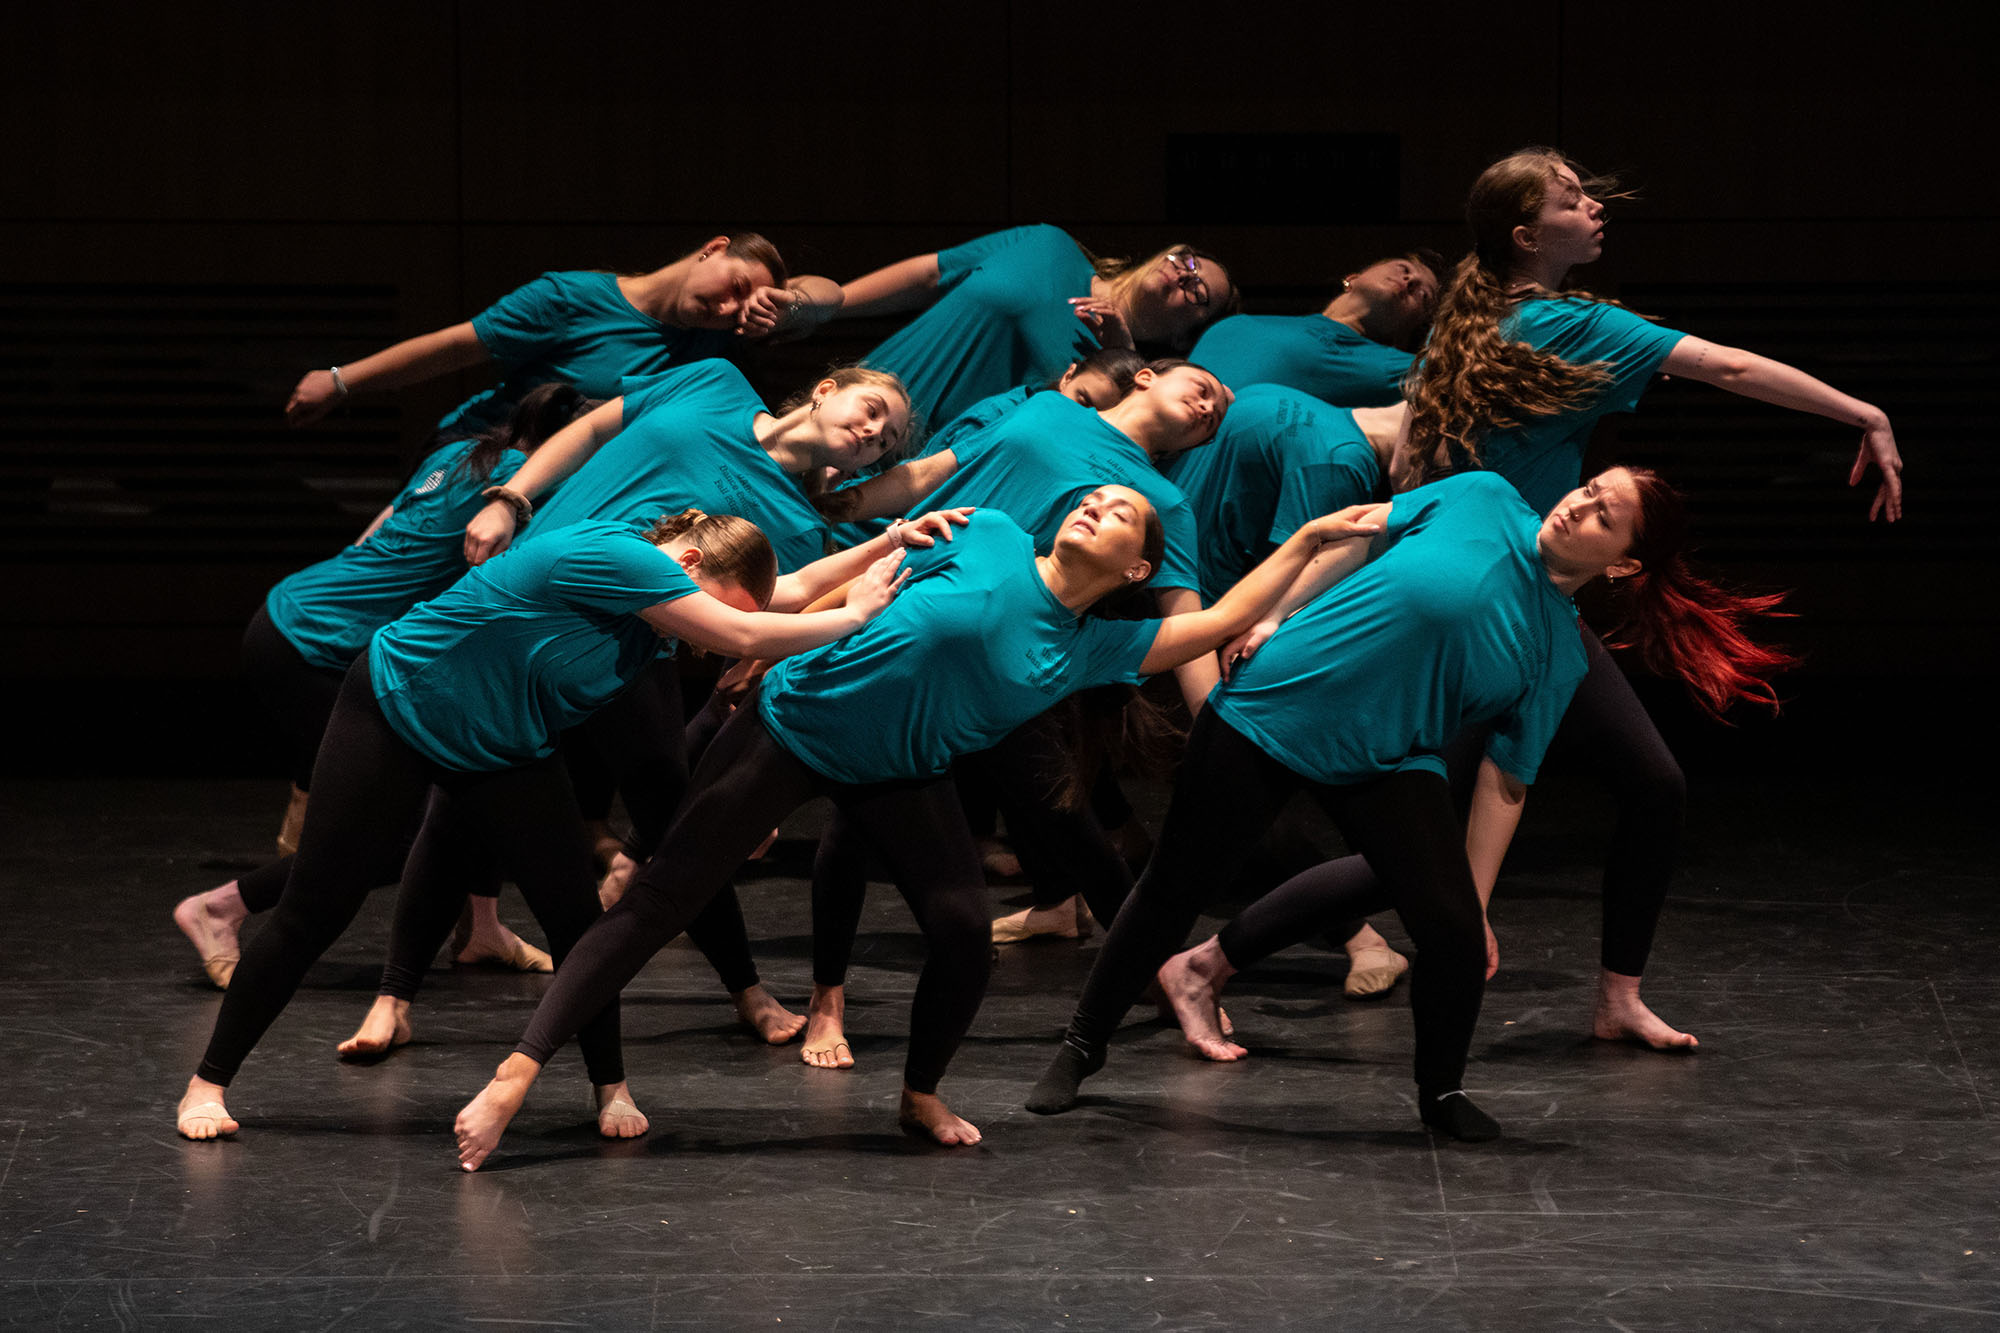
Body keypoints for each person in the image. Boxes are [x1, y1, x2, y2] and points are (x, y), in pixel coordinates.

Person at [449, 491, 1385, 1169]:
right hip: (792, 727)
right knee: (662, 900)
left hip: (903, 772)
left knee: (961, 933)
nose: (1098, 505)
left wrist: (1306, 537)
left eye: (1123, 513)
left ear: (1136, 569)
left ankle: (919, 1095)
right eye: (1095, 496)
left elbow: (1223, 616)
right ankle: (515, 1074)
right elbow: (858, 579)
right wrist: (768, 654)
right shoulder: (987, 532)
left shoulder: (1093, 647)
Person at [1027, 466, 1792, 1142]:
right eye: (1589, 490)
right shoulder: (1482, 496)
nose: (1576, 506)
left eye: (1602, 515)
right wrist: (1272, 614)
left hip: (1388, 756)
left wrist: (1477, 901)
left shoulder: (1558, 650)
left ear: (1623, 561)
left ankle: (1443, 1090)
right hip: (1276, 705)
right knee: (1173, 886)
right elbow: (1358, 535)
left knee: (1456, 935)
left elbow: (1504, 779)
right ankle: (1081, 1045)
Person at [174, 509, 920, 1143]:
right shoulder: (620, 556)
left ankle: (611, 1087)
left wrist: (886, 545)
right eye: (711, 603)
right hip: (402, 703)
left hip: (502, 745)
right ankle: (207, 1083)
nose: (697, 640)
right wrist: (856, 616)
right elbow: (744, 632)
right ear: (687, 561)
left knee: (576, 920)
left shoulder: (658, 595)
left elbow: (775, 597)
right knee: (317, 906)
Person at [1392, 145, 1902, 1046]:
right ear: (1527, 235)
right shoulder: (1573, 327)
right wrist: (1864, 412)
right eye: (1571, 200)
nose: (1593, 209)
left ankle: (1618, 996)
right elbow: (1731, 370)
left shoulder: (1467, 317)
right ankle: (1209, 960)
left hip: (1475, 578)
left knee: (1640, 785)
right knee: (1432, 824)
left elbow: (1410, 457)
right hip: (1500, 599)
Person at [327, 362, 919, 1057]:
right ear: (827, 387)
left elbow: (775, 602)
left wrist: (889, 541)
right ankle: (392, 999)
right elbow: (592, 427)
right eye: (874, 408)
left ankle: (746, 989)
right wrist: (511, 496)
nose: (874, 432)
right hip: (536, 609)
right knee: (457, 806)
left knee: (676, 819)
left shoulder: (794, 519)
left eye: (887, 442)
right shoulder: (716, 383)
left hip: (628, 655)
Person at [173, 384, 595, 991]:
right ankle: (219, 908)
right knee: (399, 835)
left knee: (470, 785)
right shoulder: (523, 495)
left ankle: (480, 927)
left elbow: (379, 530)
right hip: (313, 646)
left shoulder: (464, 453)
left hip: (295, 608)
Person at [284, 234, 825, 436]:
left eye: (740, 308)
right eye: (732, 285)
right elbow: (453, 348)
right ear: (713, 247)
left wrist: (787, 305)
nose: (727, 308)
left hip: (565, 492)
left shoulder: (717, 337)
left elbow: (831, 295)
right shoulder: (568, 298)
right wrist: (340, 381)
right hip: (486, 453)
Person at [782, 225, 1238, 428]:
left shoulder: (1130, 388)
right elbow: (928, 275)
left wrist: (1120, 361)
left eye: (1198, 292)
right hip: (844, 400)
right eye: (1189, 261)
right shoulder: (1047, 244)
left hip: (913, 479)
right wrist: (828, 308)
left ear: (1184, 336)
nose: (1184, 274)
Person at [1188, 250, 1441, 404]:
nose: (1410, 280)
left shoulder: (1390, 368)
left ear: (1408, 330)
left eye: (1424, 296)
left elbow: (1458, 365)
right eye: (1404, 269)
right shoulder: (1237, 325)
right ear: (1353, 278)